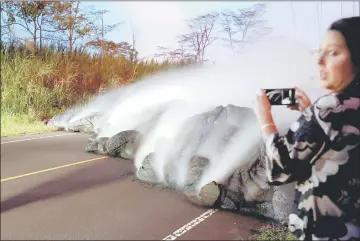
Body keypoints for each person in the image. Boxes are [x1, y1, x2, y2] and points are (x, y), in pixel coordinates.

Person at [254, 16, 360, 240]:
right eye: (319, 51)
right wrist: (309, 115)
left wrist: (265, 119)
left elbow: (280, 170)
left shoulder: (329, 109)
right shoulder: (337, 111)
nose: (319, 60)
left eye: (333, 52)